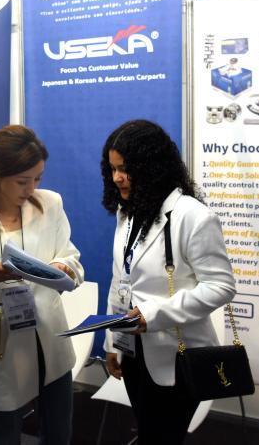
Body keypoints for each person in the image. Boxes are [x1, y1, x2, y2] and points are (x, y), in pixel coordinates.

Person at [101, 120, 236, 444]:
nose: (117, 178)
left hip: (177, 358)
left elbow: (221, 286)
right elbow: (121, 280)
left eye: (125, 169)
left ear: (152, 168)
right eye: (113, 169)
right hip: (132, 351)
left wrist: (154, 314)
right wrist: (112, 342)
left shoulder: (193, 216)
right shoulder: (128, 212)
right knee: (148, 432)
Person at [0, 125, 83, 445]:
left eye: (38, 178)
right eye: (22, 181)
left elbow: (71, 257)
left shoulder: (50, 203)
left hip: (50, 337)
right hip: (3, 343)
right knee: (5, 434)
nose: (32, 189)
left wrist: (63, 267)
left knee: (59, 432)